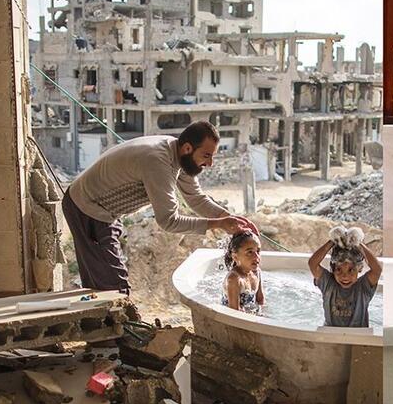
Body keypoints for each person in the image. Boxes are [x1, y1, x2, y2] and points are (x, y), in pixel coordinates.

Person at [62, 120, 254, 293]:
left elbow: (196, 198)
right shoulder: (158, 161)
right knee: (113, 287)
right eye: (206, 156)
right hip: (87, 207)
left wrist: (228, 219)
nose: (210, 163)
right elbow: (168, 221)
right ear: (188, 148)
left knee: (106, 283)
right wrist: (217, 224)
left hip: (105, 211)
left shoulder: (180, 155)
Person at [308, 226, 382, 327]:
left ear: (359, 268)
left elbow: (377, 269)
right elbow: (312, 264)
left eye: (351, 270)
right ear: (333, 269)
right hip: (330, 333)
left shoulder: (363, 287)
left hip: (358, 335)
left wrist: (358, 244)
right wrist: (332, 241)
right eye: (339, 270)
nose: (345, 276)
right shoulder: (328, 284)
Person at [221, 228, 264, 313]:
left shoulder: (256, 272)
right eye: (250, 252)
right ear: (235, 257)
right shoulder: (234, 279)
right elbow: (234, 313)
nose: (256, 257)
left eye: (258, 251)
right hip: (232, 317)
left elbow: (260, 300)